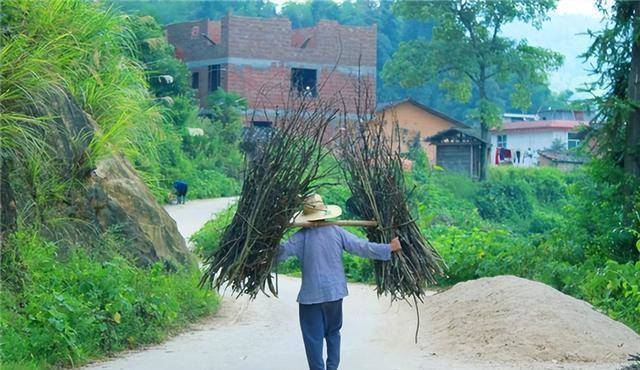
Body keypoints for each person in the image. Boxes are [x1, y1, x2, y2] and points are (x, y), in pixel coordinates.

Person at [277, 194, 402, 370]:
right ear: (324, 212)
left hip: (311, 297)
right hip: (335, 294)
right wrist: (389, 248)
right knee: (333, 333)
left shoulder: (300, 237)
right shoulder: (336, 231)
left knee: (313, 338)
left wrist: (267, 243)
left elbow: (280, 254)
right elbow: (361, 247)